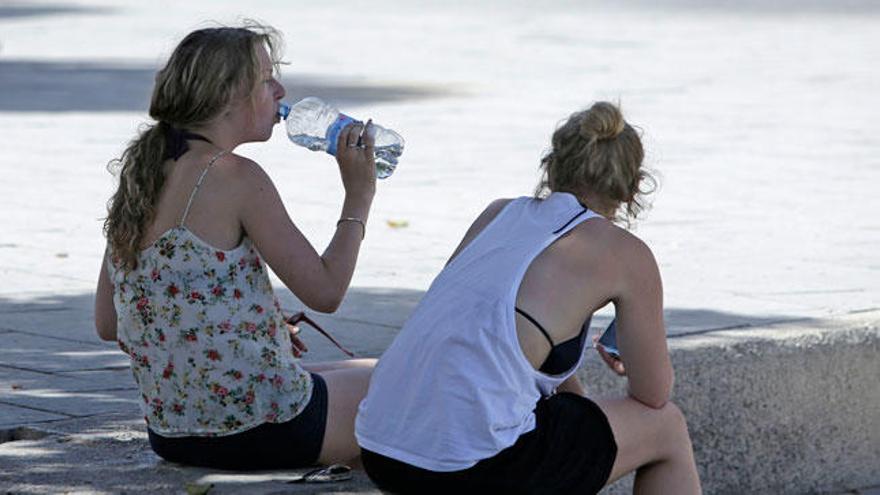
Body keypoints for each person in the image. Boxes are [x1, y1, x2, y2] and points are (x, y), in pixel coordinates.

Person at [355, 102, 702, 494]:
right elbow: (653, 396)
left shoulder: (497, 214)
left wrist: (578, 405)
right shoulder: (628, 255)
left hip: (381, 449)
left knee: (561, 423)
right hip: (466, 468)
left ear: (552, 167)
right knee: (666, 426)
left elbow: (492, 339)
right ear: (634, 185)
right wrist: (629, 364)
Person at [93, 22, 378, 470]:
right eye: (267, 79)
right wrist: (358, 196)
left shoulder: (140, 178)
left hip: (174, 433)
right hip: (265, 429)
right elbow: (327, 293)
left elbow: (110, 323)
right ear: (229, 96)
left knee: (361, 367)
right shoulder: (235, 176)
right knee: (408, 379)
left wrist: (222, 318)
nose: (281, 89)